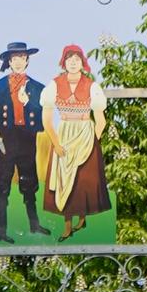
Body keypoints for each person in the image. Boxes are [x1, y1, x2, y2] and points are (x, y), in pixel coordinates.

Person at [0, 42, 45, 243]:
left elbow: (43, 116)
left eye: (22, 58)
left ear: (27, 60)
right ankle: (1, 230)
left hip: (26, 139)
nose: (18, 62)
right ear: (9, 61)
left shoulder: (37, 88)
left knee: (29, 181)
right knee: (2, 183)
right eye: (14, 58)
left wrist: (27, 103)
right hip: (4, 139)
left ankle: (34, 224)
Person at [43, 42, 111, 233]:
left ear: (82, 62)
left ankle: (82, 219)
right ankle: (66, 225)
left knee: (83, 179)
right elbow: (46, 119)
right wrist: (56, 143)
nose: (73, 63)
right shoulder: (54, 85)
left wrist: (92, 142)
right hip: (64, 134)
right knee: (64, 177)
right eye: (69, 59)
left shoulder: (91, 86)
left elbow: (101, 120)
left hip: (86, 134)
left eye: (77, 59)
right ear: (63, 63)